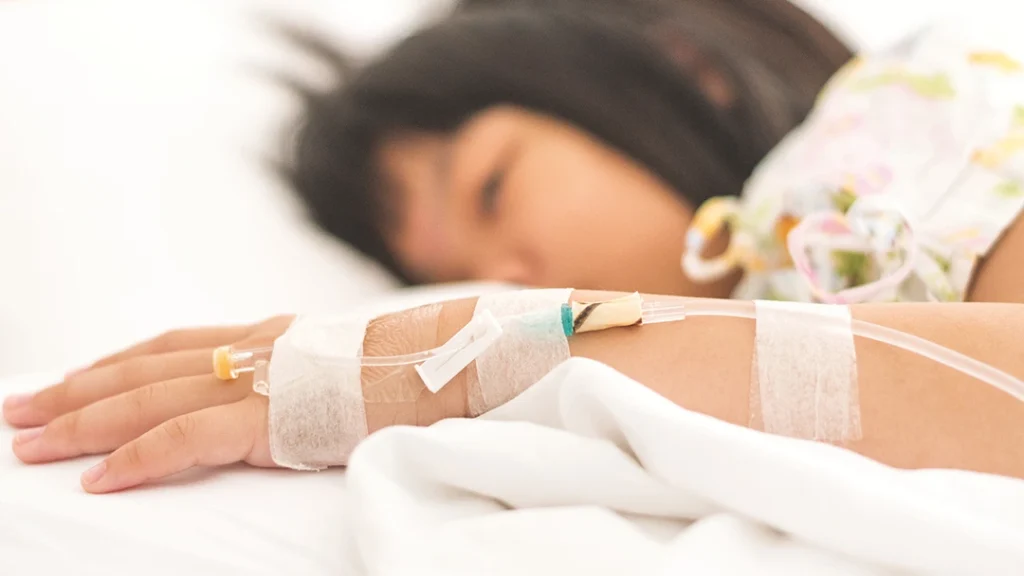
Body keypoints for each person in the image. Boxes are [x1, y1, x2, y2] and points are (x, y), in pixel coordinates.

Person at [5, 1, 1024, 492]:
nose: (501, 284)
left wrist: (506, 348)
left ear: (678, 67)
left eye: (494, 188)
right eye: (440, 280)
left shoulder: (889, 127)